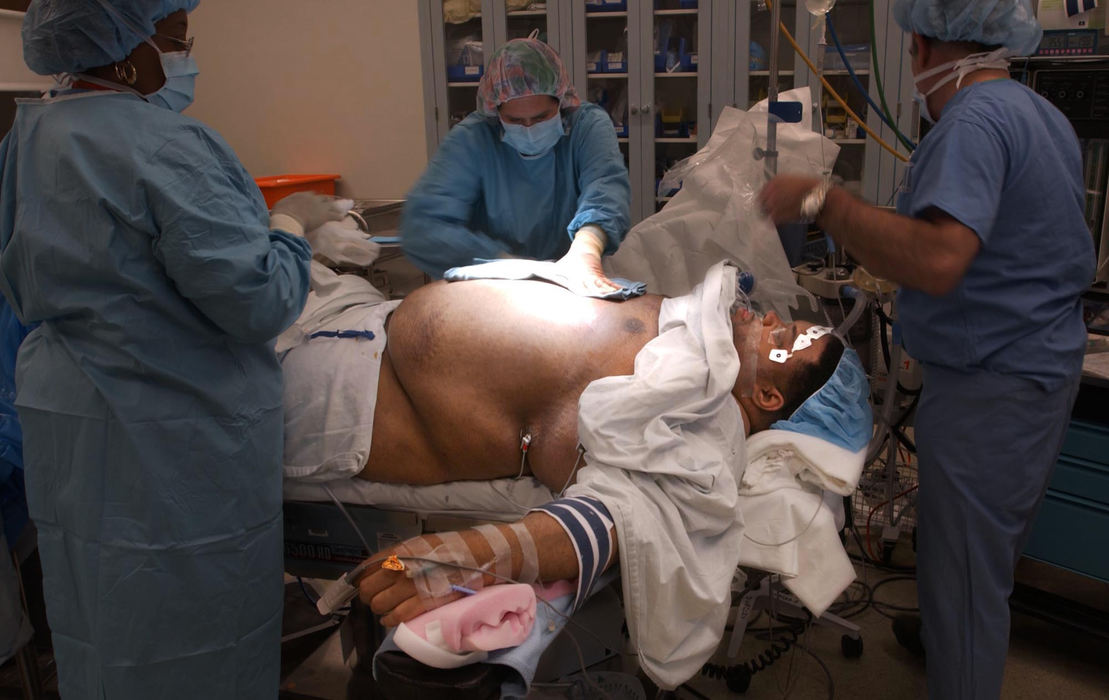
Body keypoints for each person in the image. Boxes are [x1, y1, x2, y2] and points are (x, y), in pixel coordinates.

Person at [0, 1, 348, 697]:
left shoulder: (28, 135)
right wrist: (288, 226)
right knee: (193, 629)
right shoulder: (166, 145)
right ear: (126, 52)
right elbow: (258, 301)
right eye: (176, 40)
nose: (185, 57)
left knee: (102, 618)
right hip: (171, 432)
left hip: (68, 416)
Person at [759, 1, 1096, 697]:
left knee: (969, 579)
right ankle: (941, 620)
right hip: (1034, 363)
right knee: (973, 550)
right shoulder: (1035, 113)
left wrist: (825, 204)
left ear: (920, 47)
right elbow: (1001, 241)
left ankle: (959, 651)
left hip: (992, 385)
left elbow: (940, 259)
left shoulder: (971, 123)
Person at [400, 37, 631, 292]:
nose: (529, 129)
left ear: (562, 101)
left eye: (541, 117)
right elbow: (423, 225)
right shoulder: (472, 139)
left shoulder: (586, 126)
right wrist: (506, 265)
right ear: (494, 111)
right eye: (515, 120)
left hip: (572, 281)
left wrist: (587, 249)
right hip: (491, 286)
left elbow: (606, 187)